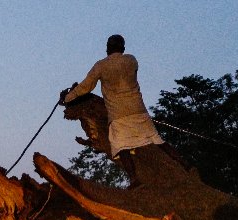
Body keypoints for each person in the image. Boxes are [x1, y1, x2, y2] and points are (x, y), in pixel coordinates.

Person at [61, 34, 164, 186]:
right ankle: (184, 164)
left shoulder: (101, 65)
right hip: (139, 111)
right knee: (158, 140)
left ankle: (134, 179)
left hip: (118, 115)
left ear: (108, 48)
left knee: (121, 147)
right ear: (123, 48)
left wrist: (67, 98)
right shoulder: (132, 60)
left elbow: (85, 87)